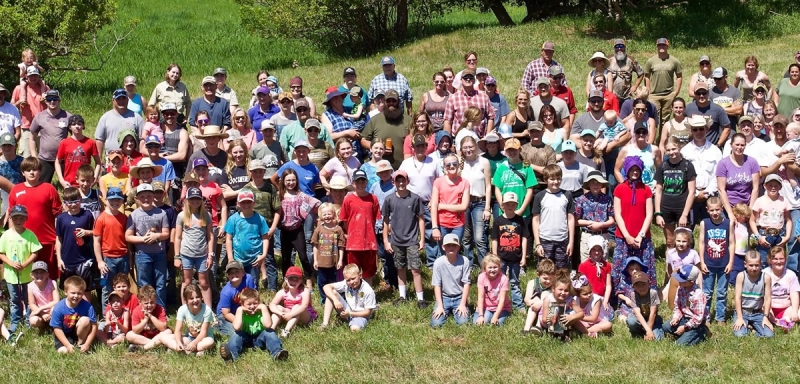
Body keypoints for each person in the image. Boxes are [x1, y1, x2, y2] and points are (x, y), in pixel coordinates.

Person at [612, 157, 656, 316]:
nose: (635, 172)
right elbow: (617, 214)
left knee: (644, 269)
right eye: (632, 169)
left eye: (637, 169)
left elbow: (649, 213)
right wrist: (628, 236)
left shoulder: (646, 189)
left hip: (642, 239)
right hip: (624, 238)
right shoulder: (619, 189)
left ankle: (647, 301)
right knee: (622, 270)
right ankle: (621, 301)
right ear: (627, 170)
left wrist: (640, 235)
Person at [8, 157, 61, 280]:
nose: (32, 172)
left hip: (47, 240)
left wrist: (58, 238)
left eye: (35, 169)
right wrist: (13, 238)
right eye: (28, 170)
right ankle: (27, 299)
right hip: (24, 241)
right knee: (27, 276)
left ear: (40, 171)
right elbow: (11, 216)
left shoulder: (49, 188)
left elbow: (58, 215)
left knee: (49, 277)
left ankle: (50, 299)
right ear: (23, 172)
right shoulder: (16, 190)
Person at [381, 170, 426, 307]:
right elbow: (385, 221)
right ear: (393, 182)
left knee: (415, 269)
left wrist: (422, 239)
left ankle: (420, 298)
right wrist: (386, 241)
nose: (401, 183)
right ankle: (402, 296)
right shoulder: (389, 199)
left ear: (408, 181)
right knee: (400, 268)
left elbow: (421, 219)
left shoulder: (415, 198)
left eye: (403, 180)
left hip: (412, 240)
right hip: (396, 240)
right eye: (398, 181)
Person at [399, 134, 443, 267]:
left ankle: (431, 262)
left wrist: (435, 200)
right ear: (412, 147)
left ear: (426, 146)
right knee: (410, 232)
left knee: (430, 232)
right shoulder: (406, 163)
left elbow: (440, 181)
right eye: (417, 146)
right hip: (410, 202)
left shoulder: (433, 162)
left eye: (423, 145)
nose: (420, 148)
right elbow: (399, 180)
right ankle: (411, 260)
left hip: (428, 202)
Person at [125, 184, 170, 307]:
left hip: (159, 253)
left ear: (153, 196)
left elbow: (166, 233)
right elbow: (128, 236)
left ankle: (160, 309)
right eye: (142, 197)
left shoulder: (161, 213)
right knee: (144, 282)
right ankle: (145, 308)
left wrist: (157, 236)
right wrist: (143, 239)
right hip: (142, 254)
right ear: (137, 199)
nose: (146, 199)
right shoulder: (133, 215)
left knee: (160, 282)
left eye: (149, 196)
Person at [0, 204, 41, 340]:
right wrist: (10, 263)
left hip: (27, 275)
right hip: (11, 275)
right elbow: (1, 253)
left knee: (28, 299)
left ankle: (29, 320)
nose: (18, 221)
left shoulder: (30, 235)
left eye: (21, 218)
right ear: (11, 218)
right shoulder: (6, 235)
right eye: (16, 218)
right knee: (14, 299)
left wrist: (24, 264)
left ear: (26, 219)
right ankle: (15, 321)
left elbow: (35, 252)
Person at [219, 287, 288, 362]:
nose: (252, 306)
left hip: (260, 338)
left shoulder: (261, 312)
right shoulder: (241, 312)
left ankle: (277, 353)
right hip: (246, 339)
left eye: (255, 303)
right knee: (237, 334)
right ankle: (231, 356)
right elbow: (236, 327)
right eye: (249, 304)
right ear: (242, 304)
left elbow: (268, 325)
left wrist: (264, 308)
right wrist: (239, 310)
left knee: (270, 332)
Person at [276, 168, 320, 284]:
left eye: (293, 180)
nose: (291, 183)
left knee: (303, 256)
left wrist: (312, 213)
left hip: (297, 230)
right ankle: (286, 280)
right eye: (288, 180)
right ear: (283, 181)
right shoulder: (279, 195)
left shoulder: (300, 195)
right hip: (285, 230)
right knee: (285, 258)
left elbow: (314, 202)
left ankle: (309, 278)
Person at [654, 136, 696, 248]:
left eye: (674, 149)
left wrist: (684, 215)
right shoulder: (663, 166)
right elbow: (658, 190)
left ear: (679, 147)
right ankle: (671, 265)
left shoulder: (688, 166)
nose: (671, 152)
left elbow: (692, 192)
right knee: (670, 241)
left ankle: (686, 265)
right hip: (666, 208)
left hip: (682, 208)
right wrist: (658, 213)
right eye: (668, 150)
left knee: (685, 241)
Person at [531, 164, 574, 269]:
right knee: (544, 270)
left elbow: (571, 218)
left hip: (562, 239)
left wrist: (571, 242)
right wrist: (538, 243)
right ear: (546, 180)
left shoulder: (567, 195)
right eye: (552, 179)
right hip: (545, 239)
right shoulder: (539, 196)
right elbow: (535, 220)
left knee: (561, 271)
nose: (556, 182)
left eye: (558, 178)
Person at [55, 187, 95, 297]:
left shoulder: (87, 214)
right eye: (69, 202)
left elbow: (96, 232)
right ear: (65, 203)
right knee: (68, 289)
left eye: (76, 201)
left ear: (80, 200)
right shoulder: (61, 218)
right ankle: (70, 313)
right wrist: (59, 259)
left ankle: (87, 312)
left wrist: (87, 232)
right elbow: (58, 239)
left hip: (84, 259)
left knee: (85, 288)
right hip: (67, 260)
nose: (73, 205)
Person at [491, 192, 529, 311]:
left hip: (516, 258)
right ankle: (497, 303)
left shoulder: (520, 220)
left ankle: (518, 305)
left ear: (517, 205)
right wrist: (495, 257)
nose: (510, 206)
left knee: (514, 282)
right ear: (502, 205)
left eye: (513, 204)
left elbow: (524, 238)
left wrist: (523, 256)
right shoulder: (498, 221)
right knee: (498, 281)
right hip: (501, 258)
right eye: (508, 203)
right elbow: (494, 239)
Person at [225, 190, 269, 286]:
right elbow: (228, 239)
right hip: (237, 258)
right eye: (243, 202)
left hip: (255, 259)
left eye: (249, 202)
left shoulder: (260, 219)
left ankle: (252, 300)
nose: (246, 205)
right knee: (237, 283)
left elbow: (265, 238)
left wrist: (264, 255)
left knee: (252, 283)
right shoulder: (233, 219)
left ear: (254, 203)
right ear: (238, 204)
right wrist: (230, 257)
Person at [93, 188, 128, 308]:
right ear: (106, 200)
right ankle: (106, 315)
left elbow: (127, 240)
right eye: (112, 200)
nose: (115, 202)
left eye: (118, 199)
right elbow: (96, 241)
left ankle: (122, 311)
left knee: (123, 286)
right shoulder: (101, 218)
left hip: (123, 257)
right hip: (108, 259)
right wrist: (100, 261)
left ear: (122, 201)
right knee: (107, 287)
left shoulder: (124, 218)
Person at [29, 89, 71, 183]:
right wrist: (34, 156)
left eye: (55, 99)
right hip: (45, 158)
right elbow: (32, 138)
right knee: (41, 185)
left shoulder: (68, 117)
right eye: (49, 99)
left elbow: (76, 136)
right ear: (45, 101)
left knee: (69, 184)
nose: (52, 101)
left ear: (59, 100)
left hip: (63, 158)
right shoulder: (39, 117)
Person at [430, 234, 471, 327]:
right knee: (436, 324)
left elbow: (466, 283)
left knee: (463, 323)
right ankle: (444, 309)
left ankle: (457, 309)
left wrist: (463, 304)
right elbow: (437, 285)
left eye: (454, 245)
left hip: (459, 297)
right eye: (448, 245)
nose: (451, 248)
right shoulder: (438, 263)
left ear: (458, 247)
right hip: (444, 297)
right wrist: (440, 305)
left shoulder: (465, 261)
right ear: (443, 247)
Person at [162, 284, 215, 356]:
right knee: (164, 337)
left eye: (197, 297)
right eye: (191, 298)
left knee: (210, 342)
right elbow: (177, 330)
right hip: (189, 338)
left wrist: (194, 343)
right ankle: (184, 349)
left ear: (201, 297)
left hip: (203, 338)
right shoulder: (182, 309)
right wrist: (178, 342)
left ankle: (182, 350)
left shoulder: (207, 310)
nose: (195, 300)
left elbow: (203, 333)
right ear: (186, 300)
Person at [750, 174, 792, 265]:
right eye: (770, 185)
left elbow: (788, 220)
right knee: (764, 262)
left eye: (776, 185)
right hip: (764, 235)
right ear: (765, 186)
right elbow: (752, 220)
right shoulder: (759, 201)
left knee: (779, 261)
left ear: (780, 187)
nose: (773, 188)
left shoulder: (784, 201)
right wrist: (758, 237)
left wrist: (787, 236)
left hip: (779, 235)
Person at [321, 264, 376, 331]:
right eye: (348, 280)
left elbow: (367, 313)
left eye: (353, 278)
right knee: (332, 293)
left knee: (355, 329)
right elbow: (326, 287)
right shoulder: (346, 283)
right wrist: (335, 300)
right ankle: (325, 324)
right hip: (348, 310)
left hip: (361, 315)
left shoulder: (368, 290)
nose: (351, 282)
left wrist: (350, 314)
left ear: (360, 275)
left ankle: (353, 323)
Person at [716, 133, 760, 218]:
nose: (739, 147)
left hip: (746, 206)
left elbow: (755, 188)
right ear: (731, 145)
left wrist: (750, 211)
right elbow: (721, 189)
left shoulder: (752, 162)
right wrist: (730, 213)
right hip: (728, 206)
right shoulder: (723, 164)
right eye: (737, 144)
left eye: (742, 145)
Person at [50, 276, 97, 353]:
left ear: (83, 293)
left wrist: (88, 344)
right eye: (73, 293)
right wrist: (67, 345)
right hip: (63, 334)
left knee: (85, 320)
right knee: (63, 352)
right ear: (65, 292)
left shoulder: (88, 306)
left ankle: (81, 344)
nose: (76, 296)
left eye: (79, 293)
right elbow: (57, 328)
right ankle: (69, 345)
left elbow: (94, 326)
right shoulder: (58, 307)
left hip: (79, 331)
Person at [663, 265, 708, 346]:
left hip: (695, 324)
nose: (679, 282)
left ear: (691, 282)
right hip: (684, 318)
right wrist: (676, 318)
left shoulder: (698, 295)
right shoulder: (681, 288)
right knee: (665, 327)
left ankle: (700, 334)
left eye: (682, 280)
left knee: (679, 345)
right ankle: (684, 333)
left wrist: (685, 327)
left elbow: (698, 318)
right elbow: (678, 306)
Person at [644, 38, 683, 131]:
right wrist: (648, 90)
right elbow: (647, 76)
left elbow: (679, 76)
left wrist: (676, 92)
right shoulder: (651, 61)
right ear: (657, 46)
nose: (661, 47)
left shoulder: (674, 61)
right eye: (659, 45)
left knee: (665, 120)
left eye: (663, 45)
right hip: (654, 95)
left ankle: (663, 141)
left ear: (667, 46)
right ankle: (651, 141)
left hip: (668, 94)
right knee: (653, 119)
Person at [732, 250, 774, 337]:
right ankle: (748, 327)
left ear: (761, 264)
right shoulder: (741, 276)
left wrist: (766, 317)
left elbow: (767, 298)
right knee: (740, 335)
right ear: (745, 264)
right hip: (743, 312)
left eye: (756, 265)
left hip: (758, 312)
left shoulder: (766, 278)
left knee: (769, 335)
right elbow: (737, 298)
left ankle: (752, 327)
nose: (754, 268)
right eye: (751, 265)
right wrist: (740, 317)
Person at [443, 68, 495, 137]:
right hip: (459, 139)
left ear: (474, 80)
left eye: (470, 77)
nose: (468, 79)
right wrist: (448, 140)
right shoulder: (453, 98)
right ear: (461, 80)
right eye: (465, 77)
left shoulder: (484, 97)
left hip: (479, 138)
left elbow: (491, 117)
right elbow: (447, 121)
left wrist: (487, 137)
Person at [52, 114, 100, 188]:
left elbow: (98, 163)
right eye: (73, 124)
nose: (77, 126)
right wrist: (61, 180)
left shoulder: (90, 142)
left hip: (85, 183)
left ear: (83, 126)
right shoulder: (64, 143)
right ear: (69, 127)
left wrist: (95, 178)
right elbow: (57, 162)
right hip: (69, 183)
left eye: (79, 124)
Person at [574, 171, 614, 260]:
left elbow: (611, 220)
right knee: (586, 262)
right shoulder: (581, 199)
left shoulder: (607, 199)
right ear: (588, 185)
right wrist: (591, 223)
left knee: (602, 262)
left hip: (602, 234)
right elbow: (576, 221)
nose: (595, 185)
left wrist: (601, 225)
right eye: (592, 183)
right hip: (587, 235)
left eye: (598, 183)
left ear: (601, 185)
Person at [11, 66, 49, 158]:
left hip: (43, 127)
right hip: (26, 127)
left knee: (44, 157)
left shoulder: (45, 88)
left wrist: (46, 101)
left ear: (38, 76)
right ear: (26, 76)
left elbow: (54, 105)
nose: (33, 78)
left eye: (35, 75)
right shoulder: (19, 88)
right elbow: (11, 107)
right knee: (26, 157)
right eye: (31, 76)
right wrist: (19, 102)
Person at [268, 266, 316, 337]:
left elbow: (304, 306)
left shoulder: (305, 291)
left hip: (306, 316)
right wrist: (281, 313)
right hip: (288, 314)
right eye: (291, 279)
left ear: (301, 281)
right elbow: (272, 305)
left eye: (296, 279)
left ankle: (286, 331)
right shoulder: (282, 292)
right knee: (278, 307)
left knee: (297, 307)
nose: (293, 282)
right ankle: (271, 330)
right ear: (286, 279)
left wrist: (291, 314)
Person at [615, 121, 661, 193]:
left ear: (647, 134)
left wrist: (656, 183)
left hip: (650, 190)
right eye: (638, 132)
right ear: (634, 133)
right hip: (632, 191)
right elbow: (617, 170)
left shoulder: (654, 149)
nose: (641, 134)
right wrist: (625, 185)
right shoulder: (626, 150)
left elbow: (660, 169)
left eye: (644, 132)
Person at [95, 89, 145, 155]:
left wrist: (141, 156)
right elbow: (99, 139)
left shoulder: (136, 117)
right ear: (113, 101)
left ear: (127, 99)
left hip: (131, 159)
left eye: (124, 98)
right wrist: (99, 160)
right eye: (118, 99)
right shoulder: (105, 117)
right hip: (112, 160)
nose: (121, 101)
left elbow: (142, 139)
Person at [214, 260, 257, 337]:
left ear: (243, 273)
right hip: (226, 314)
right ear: (227, 276)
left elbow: (253, 297)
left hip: (243, 310)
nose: (234, 274)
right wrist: (242, 323)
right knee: (238, 332)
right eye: (230, 273)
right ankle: (218, 324)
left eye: (237, 271)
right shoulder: (226, 291)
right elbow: (226, 313)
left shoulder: (248, 279)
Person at [312, 203, 345, 300]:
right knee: (322, 281)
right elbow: (315, 245)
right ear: (321, 216)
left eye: (329, 214)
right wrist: (315, 260)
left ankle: (332, 298)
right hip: (321, 262)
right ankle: (323, 299)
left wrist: (340, 260)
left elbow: (341, 246)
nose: (327, 216)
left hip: (333, 262)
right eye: (324, 214)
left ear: (334, 214)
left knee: (333, 282)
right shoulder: (318, 230)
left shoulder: (338, 229)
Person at [540, 270, 584, 342]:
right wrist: (548, 319)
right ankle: (556, 334)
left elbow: (581, 314)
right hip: (548, 322)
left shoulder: (570, 299)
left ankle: (564, 332)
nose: (563, 293)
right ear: (553, 289)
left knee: (573, 312)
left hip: (563, 319)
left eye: (566, 290)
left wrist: (572, 317)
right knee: (555, 310)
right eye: (560, 290)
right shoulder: (548, 299)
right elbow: (544, 318)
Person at [764, 246, 800, 332]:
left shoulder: (791, 274)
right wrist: (768, 310)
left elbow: (794, 294)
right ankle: (783, 322)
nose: (779, 261)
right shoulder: (764, 274)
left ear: (786, 259)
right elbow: (761, 296)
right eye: (775, 259)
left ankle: (784, 319)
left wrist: (795, 311)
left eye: (781, 258)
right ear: (769, 260)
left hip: (786, 309)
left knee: (798, 312)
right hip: (769, 308)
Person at [125, 285, 171, 352]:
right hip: (144, 337)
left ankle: (144, 348)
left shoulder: (160, 309)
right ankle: (157, 345)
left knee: (168, 331)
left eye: (152, 302)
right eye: (146, 303)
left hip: (158, 336)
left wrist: (151, 316)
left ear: (156, 301)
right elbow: (135, 330)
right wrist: (145, 320)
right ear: (140, 302)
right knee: (129, 335)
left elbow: (163, 328)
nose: (149, 305)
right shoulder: (136, 311)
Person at [619, 271, 663, 340]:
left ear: (648, 283)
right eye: (638, 285)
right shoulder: (633, 295)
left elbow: (653, 313)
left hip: (652, 319)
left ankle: (649, 332)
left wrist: (649, 330)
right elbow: (638, 314)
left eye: (643, 284)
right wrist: (648, 331)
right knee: (631, 321)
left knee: (657, 339)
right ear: (633, 287)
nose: (641, 288)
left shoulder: (653, 293)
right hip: (640, 319)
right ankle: (639, 334)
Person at [686, 82, 731, 148]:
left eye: (704, 93)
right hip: (692, 148)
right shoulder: (688, 108)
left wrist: (718, 145)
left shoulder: (717, 109)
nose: (701, 96)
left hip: (710, 147)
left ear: (708, 93)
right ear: (694, 94)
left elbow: (727, 128)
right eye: (698, 93)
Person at [473, 254, 512, 326]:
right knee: (479, 323)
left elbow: (502, 300)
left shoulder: (503, 279)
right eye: (490, 267)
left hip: (501, 307)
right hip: (486, 307)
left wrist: (496, 316)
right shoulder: (481, 277)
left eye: (495, 267)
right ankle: (484, 315)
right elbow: (480, 297)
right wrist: (481, 315)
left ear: (499, 267)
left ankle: (500, 315)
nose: (492, 270)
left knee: (496, 324)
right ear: (484, 268)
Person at [520, 259, 555, 336]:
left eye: (551, 279)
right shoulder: (532, 283)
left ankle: (538, 326)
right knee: (534, 302)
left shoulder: (554, 285)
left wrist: (541, 303)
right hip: (534, 307)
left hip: (548, 310)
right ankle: (526, 328)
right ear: (538, 275)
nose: (548, 281)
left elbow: (555, 300)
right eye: (545, 278)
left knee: (545, 294)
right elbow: (527, 300)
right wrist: (536, 303)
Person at [608, 39, 644, 105]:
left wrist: (635, 86)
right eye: (617, 46)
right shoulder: (608, 60)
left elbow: (641, 74)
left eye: (621, 46)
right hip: (611, 96)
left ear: (625, 47)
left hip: (626, 97)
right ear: (614, 48)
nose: (619, 48)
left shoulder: (631, 60)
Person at [709, 67, 743, 132]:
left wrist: (717, 109)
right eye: (715, 79)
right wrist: (731, 109)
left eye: (719, 78)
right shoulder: (710, 92)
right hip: (715, 131)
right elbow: (710, 111)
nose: (716, 81)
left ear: (726, 77)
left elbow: (738, 110)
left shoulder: (735, 91)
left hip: (731, 130)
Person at [27, 261, 58, 330]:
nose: (39, 275)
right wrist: (42, 313)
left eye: (42, 272)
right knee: (33, 320)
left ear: (47, 274)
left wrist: (41, 308)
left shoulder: (52, 283)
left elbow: (56, 301)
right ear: (32, 275)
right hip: (40, 312)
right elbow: (32, 304)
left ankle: (54, 326)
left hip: (51, 309)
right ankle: (43, 325)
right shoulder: (30, 286)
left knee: (54, 309)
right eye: (36, 272)